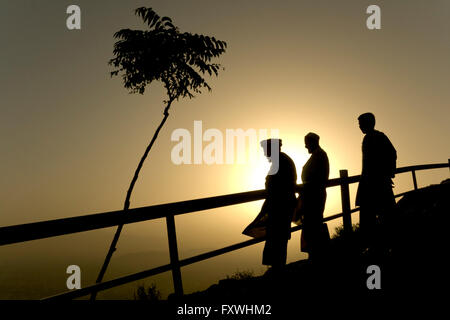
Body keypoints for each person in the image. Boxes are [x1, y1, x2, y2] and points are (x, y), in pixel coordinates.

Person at [249, 139, 297, 272]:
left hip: (280, 207)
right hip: (282, 206)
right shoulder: (283, 160)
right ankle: (278, 268)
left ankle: (278, 271)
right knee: (280, 240)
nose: (265, 154)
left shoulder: (280, 162)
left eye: (266, 151)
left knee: (277, 240)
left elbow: (275, 187)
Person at [355, 113, 397, 248]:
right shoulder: (375, 137)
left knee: (374, 218)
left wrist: (386, 174)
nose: (359, 126)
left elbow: (392, 153)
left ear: (368, 123)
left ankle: (378, 247)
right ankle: (383, 245)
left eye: (361, 123)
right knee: (385, 216)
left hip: (373, 184)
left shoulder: (375, 137)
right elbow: (392, 153)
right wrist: (388, 174)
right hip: (376, 183)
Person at [296, 132, 330, 261]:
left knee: (313, 225)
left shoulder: (320, 155)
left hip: (314, 196)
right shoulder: (318, 155)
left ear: (312, 142)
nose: (305, 147)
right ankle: (315, 254)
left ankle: (316, 255)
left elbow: (319, 179)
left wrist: (303, 187)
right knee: (312, 224)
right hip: (311, 195)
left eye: (306, 144)